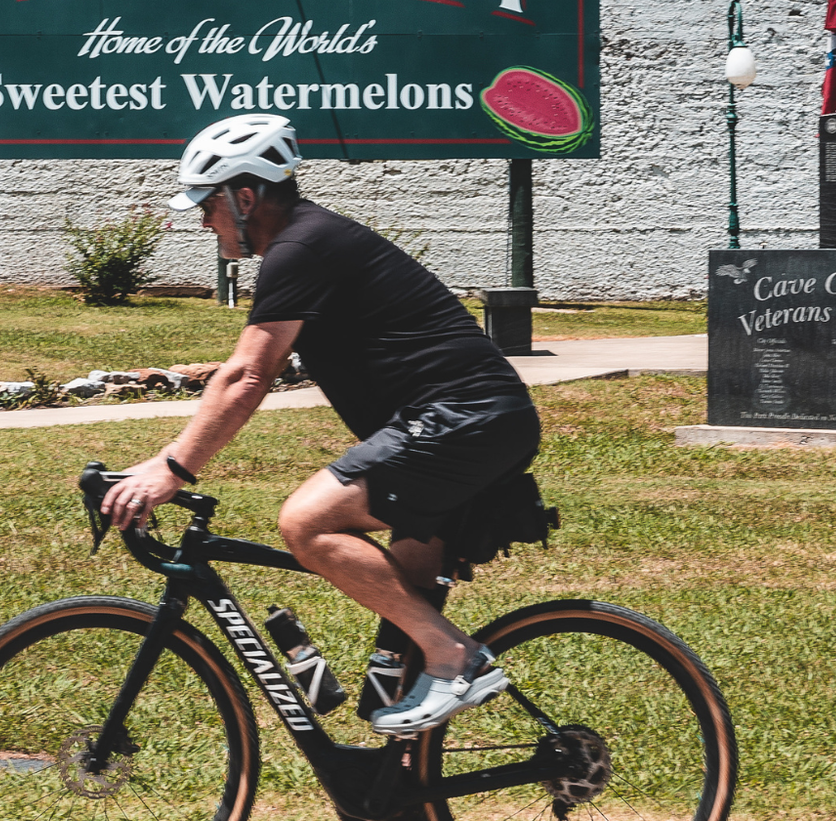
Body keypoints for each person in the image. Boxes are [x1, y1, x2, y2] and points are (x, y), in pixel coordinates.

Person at [99, 113, 548, 736]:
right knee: (397, 648)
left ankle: (457, 659)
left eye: (207, 204)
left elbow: (247, 375)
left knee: (306, 523)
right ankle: (401, 776)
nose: (203, 221)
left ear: (245, 197)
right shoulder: (308, 242)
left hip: (460, 419)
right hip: (470, 421)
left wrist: (172, 468)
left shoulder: (300, 248)